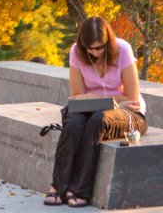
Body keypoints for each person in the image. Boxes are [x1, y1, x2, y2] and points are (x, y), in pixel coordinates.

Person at [44, 16, 147, 208]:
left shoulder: (122, 49)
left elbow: (131, 97)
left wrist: (94, 99)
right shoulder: (76, 51)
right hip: (91, 109)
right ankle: (58, 186)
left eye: (99, 47)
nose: (94, 52)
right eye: (89, 48)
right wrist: (95, 100)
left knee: (98, 121)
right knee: (73, 123)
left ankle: (80, 189)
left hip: (129, 114)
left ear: (107, 41)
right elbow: (78, 95)